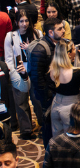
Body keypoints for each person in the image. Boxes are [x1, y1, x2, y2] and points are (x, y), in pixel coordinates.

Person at [4, 10, 43, 139]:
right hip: (18, 73)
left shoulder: (37, 34)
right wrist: (14, 74)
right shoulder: (10, 36)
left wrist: (30, 48)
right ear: (16, 22)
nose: (24, 24)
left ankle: (43, 125)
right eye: (21, 21)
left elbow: (41, 54)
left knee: (38, 101)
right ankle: (26, 130)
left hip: (34, 71)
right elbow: (8, 59)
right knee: (21, 103)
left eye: (26, 21)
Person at [28, 17, 66, 147]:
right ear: (50, 32)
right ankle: (49, 152)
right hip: (47, 96)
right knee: (48, 127)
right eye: (59, 29)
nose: (63, 31)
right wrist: (47, 96)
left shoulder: (57, 43)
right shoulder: (40, 49)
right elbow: (36, 78)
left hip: (56, 93)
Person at [48, 40, 80, 138]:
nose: (75, 50)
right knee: (71, 139)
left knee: (57, 139)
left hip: (56, 105)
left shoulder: (52, 71)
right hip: (71, 108)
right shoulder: (77, 73)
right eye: (73, 49)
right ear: (68, 54)